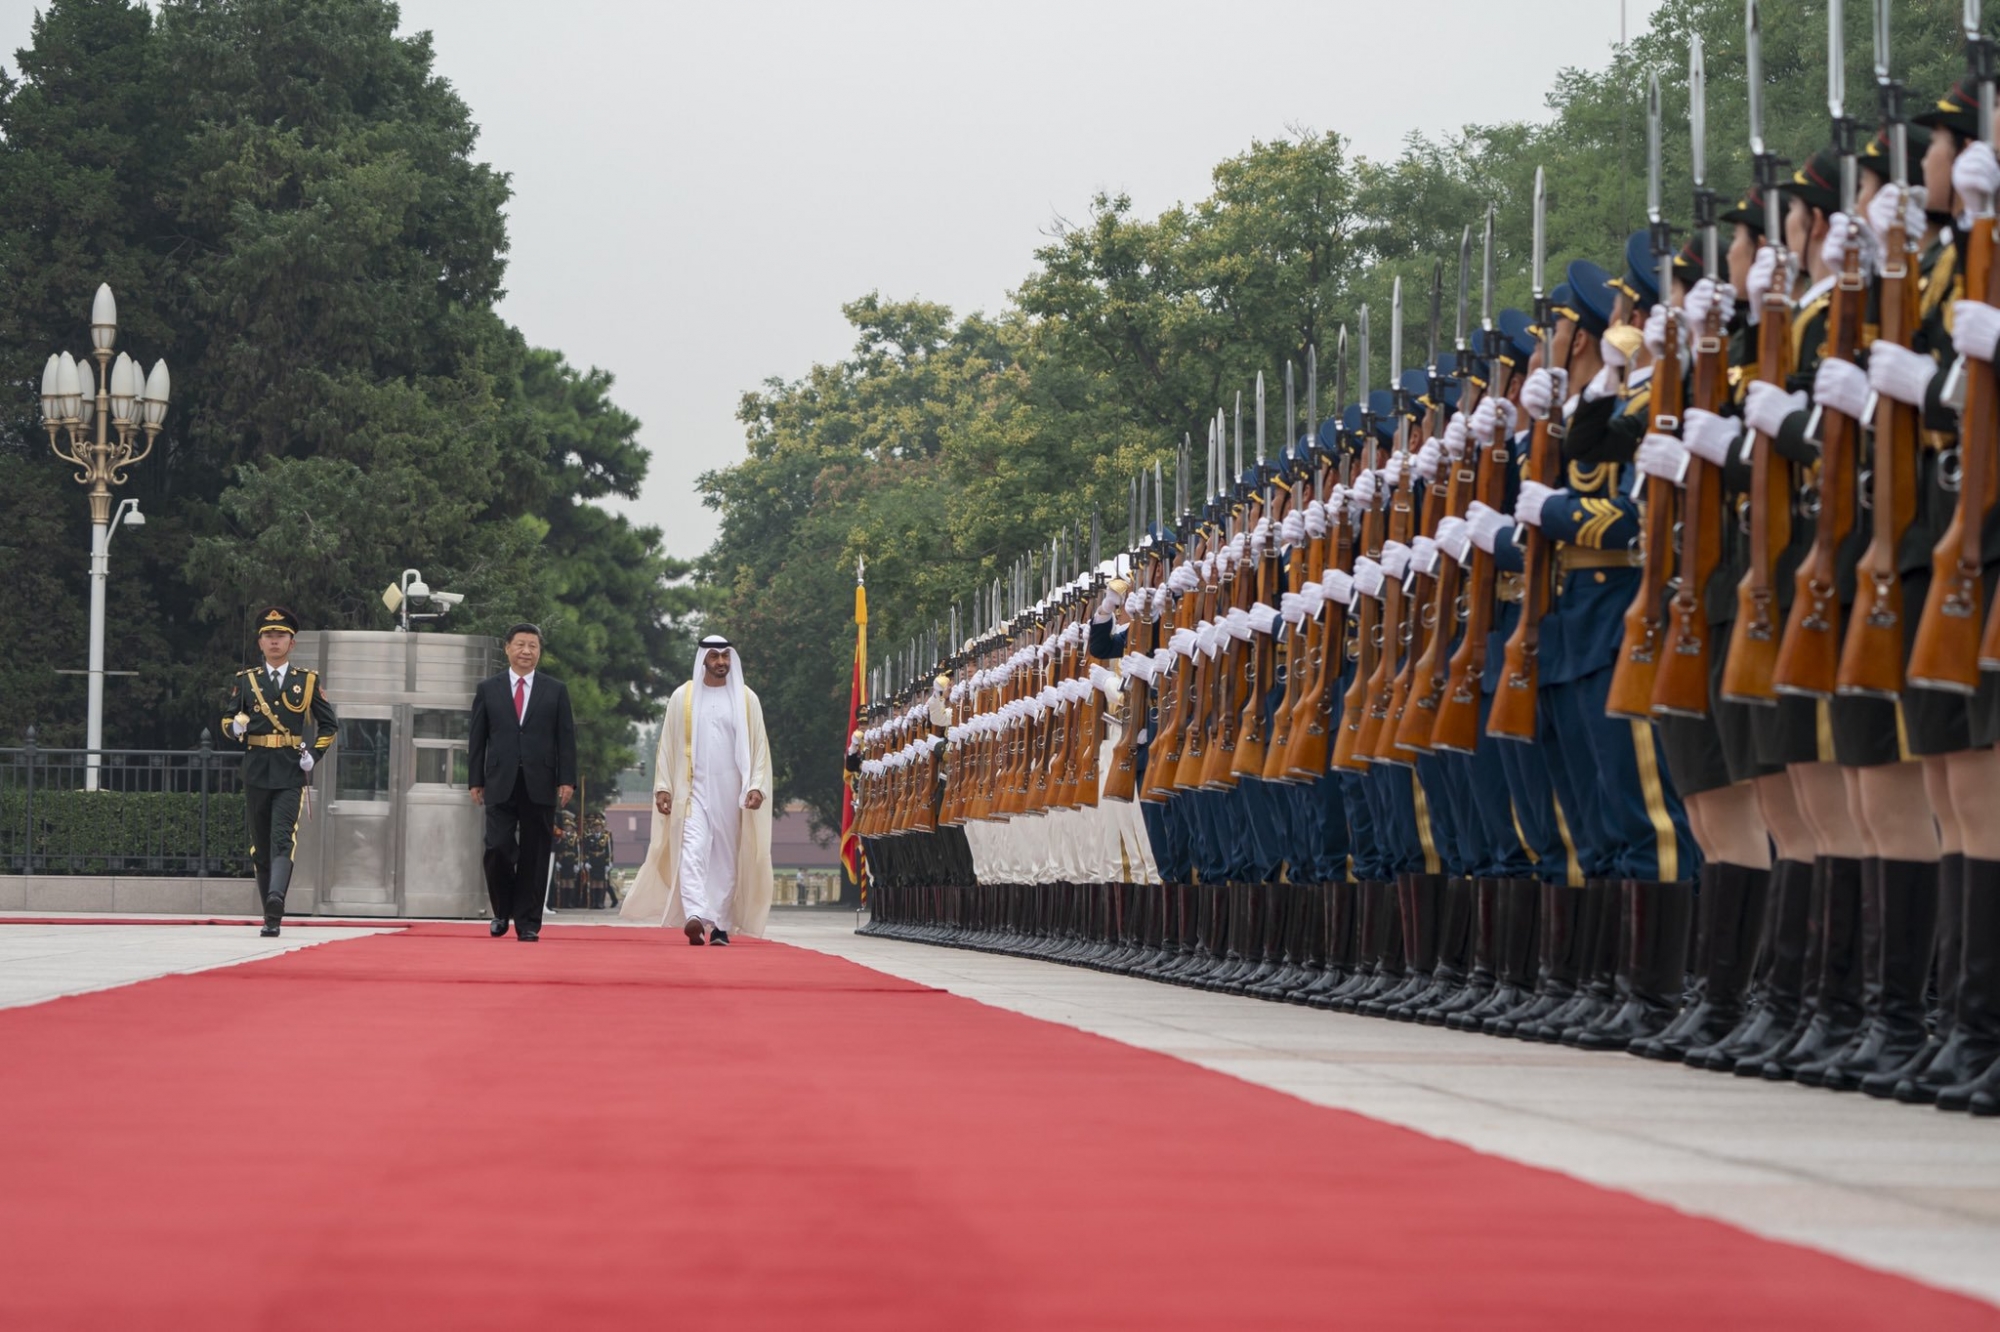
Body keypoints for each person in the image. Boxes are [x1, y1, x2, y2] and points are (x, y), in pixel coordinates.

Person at [620, 636, 775, 944]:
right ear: (703, 659)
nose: (721, 662)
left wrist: (756, 785)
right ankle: (694, 914)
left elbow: (760, 747)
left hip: (733, 793)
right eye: (714, 656)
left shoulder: (746, 699)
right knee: (691, 851)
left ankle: (718, 924)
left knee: (725, 859)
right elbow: (667, 744)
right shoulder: (683, 697)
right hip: (692, 790)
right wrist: (663, 785)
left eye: (725, 656)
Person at [220, 606, 337, 937]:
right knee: (260, 845)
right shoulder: (247, 682)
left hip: (289, 771)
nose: (274, 641)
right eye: (268, 636)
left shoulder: (307, 681)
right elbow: (226, 720)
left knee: (283, 838)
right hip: (256, 769)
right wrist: (235, 728)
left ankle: (275, 902)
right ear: (260, 643)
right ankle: (269, 913)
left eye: (280, 636)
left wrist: (313, 755)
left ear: (292, 643)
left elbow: (330, 724)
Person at [468, 622, 577, 942]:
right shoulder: (488, 689)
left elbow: (566, 739)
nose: (526, 651)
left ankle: (528, 922)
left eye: (533, 646)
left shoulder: (555, 690)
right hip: (499, 780)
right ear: (507, 648)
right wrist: (475, 778)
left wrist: (567, 780)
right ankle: (502, 911)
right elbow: (477, 737)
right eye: (521, 645)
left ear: (539, 652)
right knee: (497, 848)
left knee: (536, 852)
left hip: (540, 781)